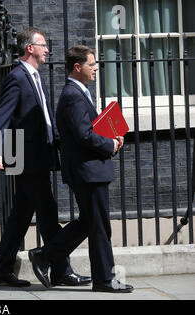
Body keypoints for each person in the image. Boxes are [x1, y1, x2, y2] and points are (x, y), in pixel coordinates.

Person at [0, 27, 91, 287]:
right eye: (43, 45)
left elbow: (47, 120)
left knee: (21, 216)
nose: (47, 50)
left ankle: (2, 268)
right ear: (30, 48)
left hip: (41, 157)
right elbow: (2, 116)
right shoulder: (17, 77)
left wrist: (62, 144)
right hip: (28, 159)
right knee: (47, 213)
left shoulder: (37, 77)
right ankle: (60, 269)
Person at [28, 45, 134, 293]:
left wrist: (111, 136)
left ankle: (45, 256)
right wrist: (110, 144)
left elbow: (87, 130)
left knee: (89, 222)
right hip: (87, 171)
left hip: (89, 170)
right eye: (91, 64)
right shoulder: (73, 95)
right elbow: (84, 135)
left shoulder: (79, 92)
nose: (95, 68)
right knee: (99, 226)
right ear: (77, 67)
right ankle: (104, 280)